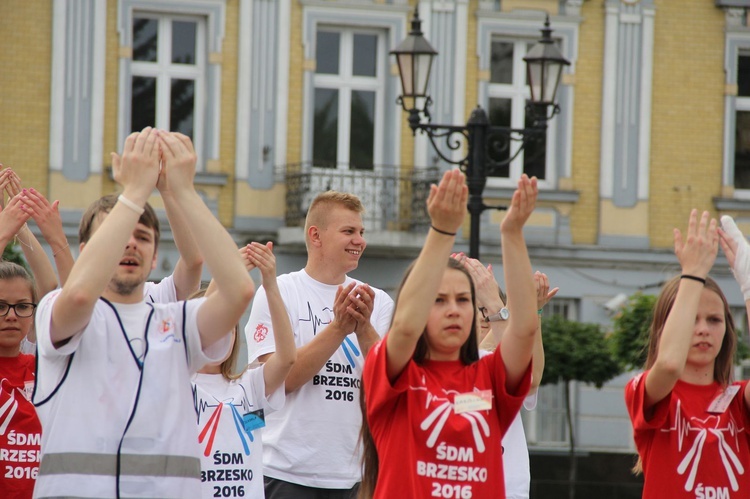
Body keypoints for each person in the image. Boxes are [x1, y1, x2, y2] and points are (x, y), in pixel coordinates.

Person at [31, 128, 255, 498]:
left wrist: (182, 190)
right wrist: (133, 192)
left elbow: (238, 290)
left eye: (144, 237)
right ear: (88, 249)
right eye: (120, 234)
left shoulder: (176, 321)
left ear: (154, 258)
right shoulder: (58, 310)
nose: (130, 242)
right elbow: (82, 294)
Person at [360, 169, 539, 498]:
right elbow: (404, 329)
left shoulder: (489, 375)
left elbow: (524, 330)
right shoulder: (396, 375)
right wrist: (442, 230)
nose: (453, 309)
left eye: (463, 299)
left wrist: (512, 233)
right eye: (438, 300)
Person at [244, 190, 394, 497]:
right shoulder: (280, 291)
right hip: (284, 470)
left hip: (353, 475)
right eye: (349, 231)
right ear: (316, 235)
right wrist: (338, 328)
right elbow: (279, 382)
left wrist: (364, 329)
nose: (360, 241)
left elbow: (388, 384)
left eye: (361, 232)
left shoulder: (377, 301)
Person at [624, 210, 750, 498]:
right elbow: (668, 365)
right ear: (665, 330)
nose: (703, 329)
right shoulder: (644, 390)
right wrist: (692, 274)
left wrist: (749, 286)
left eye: (714, 320)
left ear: (727, 331)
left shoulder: (738, 400)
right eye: (691, 318)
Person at [193, 242, 295, 499]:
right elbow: (198, 324)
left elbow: (286, 358)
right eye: (216, 325)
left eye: (230, 327)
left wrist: (270, 285)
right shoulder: (181, 384)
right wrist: (226, 275)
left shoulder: (249, 387)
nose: (223, 334)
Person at [456, 254, 556, 499]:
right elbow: (469, 399)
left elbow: (531, 379)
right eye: (476, 307)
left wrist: (532, 313)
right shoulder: (440, 361)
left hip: (507, 484)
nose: (483, 317)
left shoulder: (499, 351)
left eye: (485, 310)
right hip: (459, 482)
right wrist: (511, 309)